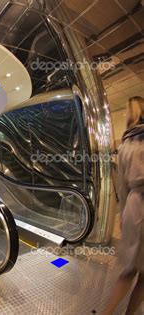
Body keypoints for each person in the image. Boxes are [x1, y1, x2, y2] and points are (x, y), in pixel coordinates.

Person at [103, 96, 144, 315]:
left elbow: (121, 187)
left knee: (132, 269)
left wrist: (122, 213)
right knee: (134, 272)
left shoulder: (126, 144)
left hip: (133, 206)